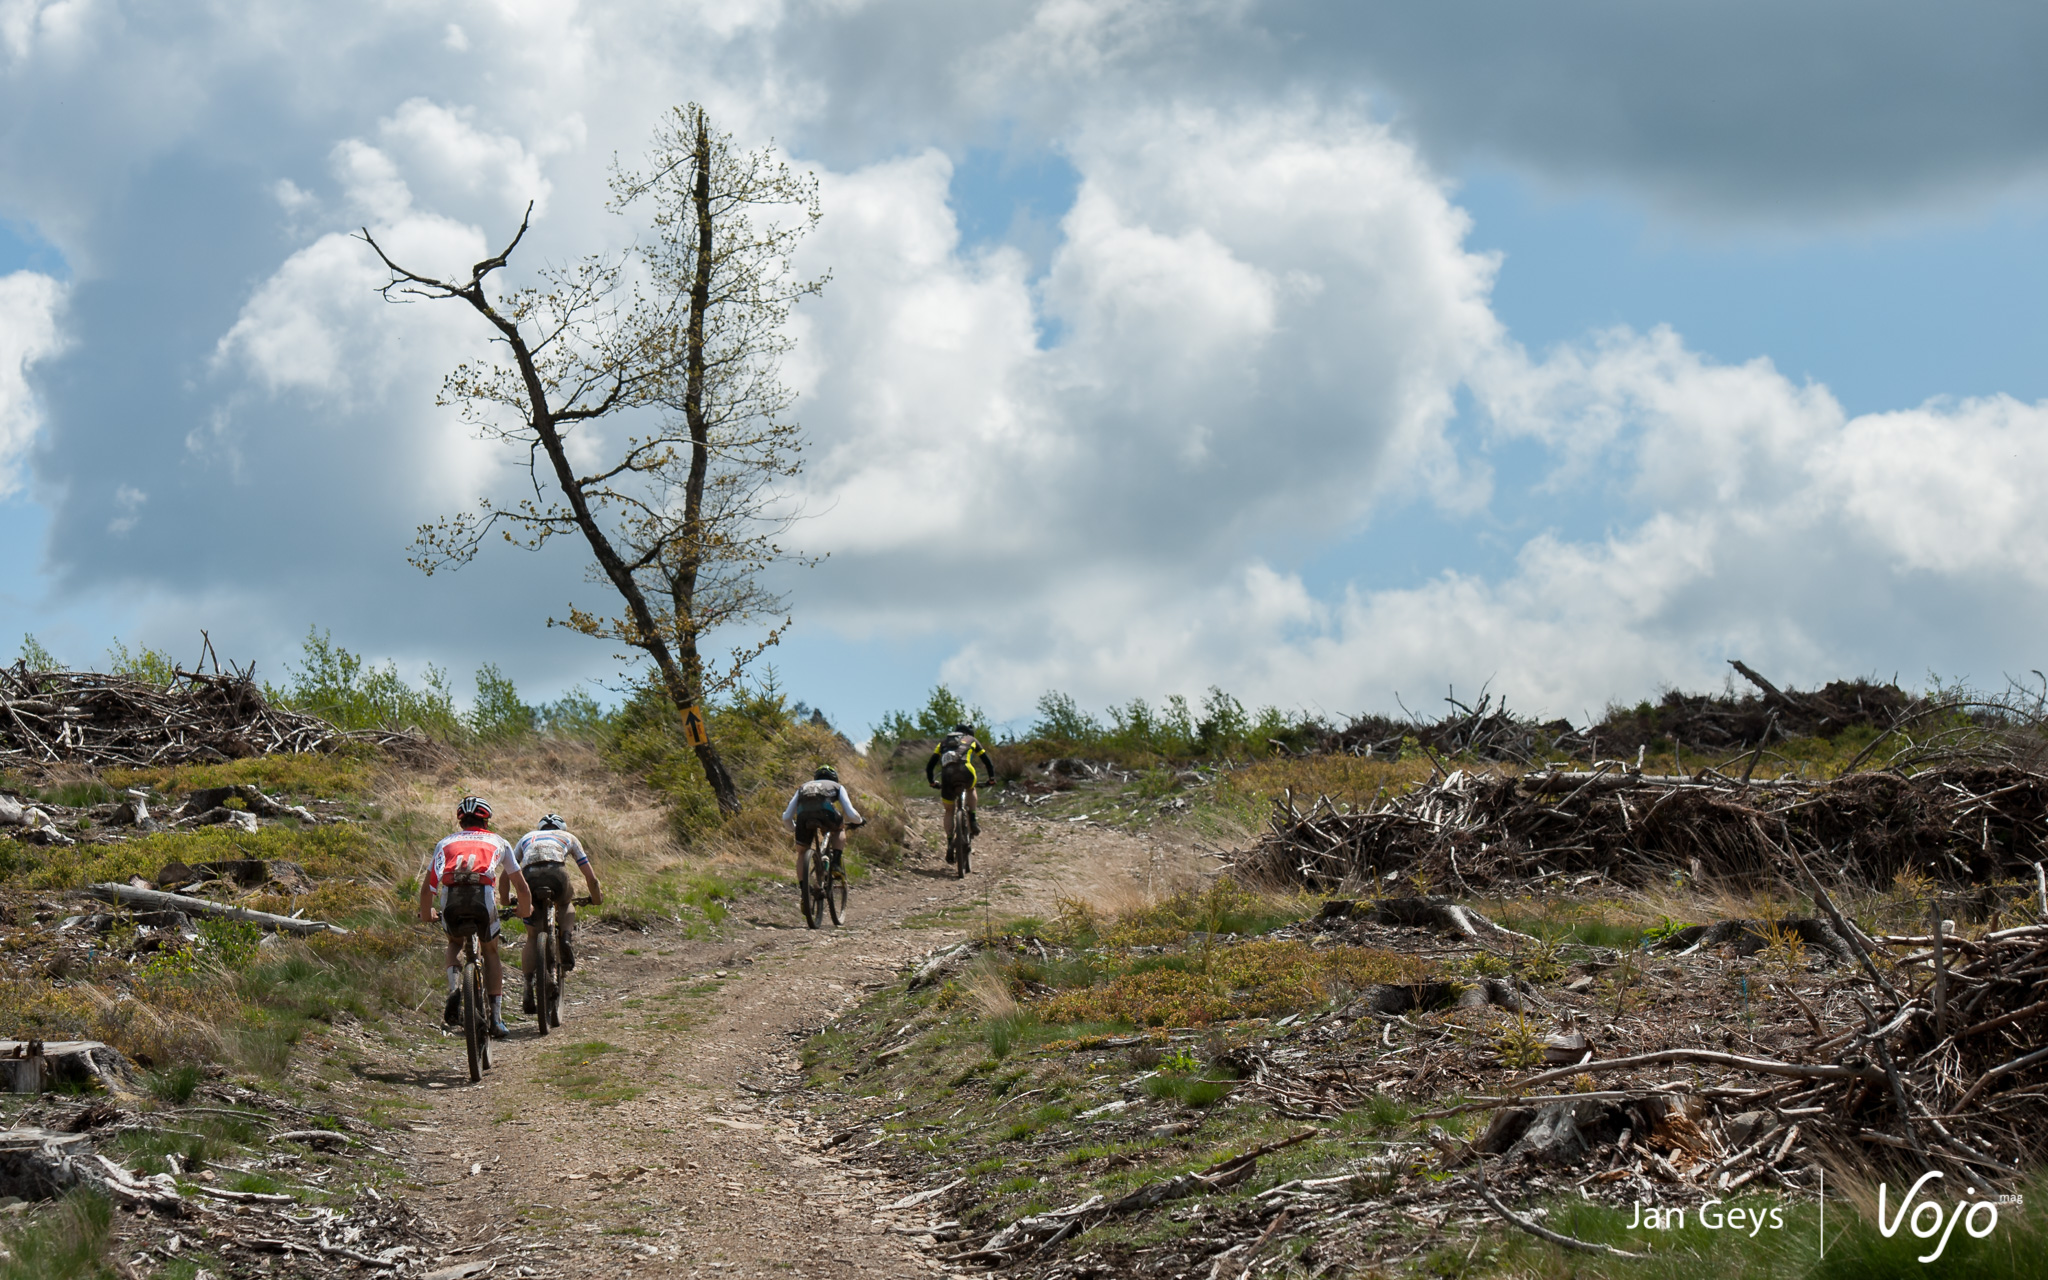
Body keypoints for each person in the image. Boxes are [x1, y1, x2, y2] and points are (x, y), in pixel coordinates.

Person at [418, 796, 531, 1039]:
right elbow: (521, 888)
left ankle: (453, 988)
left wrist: (427, 914)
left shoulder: (445, 843)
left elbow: (427, 887)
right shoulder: (498, 841)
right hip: (483, 895)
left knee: (454, 943)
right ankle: (497, 1019)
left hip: (451, 896)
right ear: (486, 821)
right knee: (490, 951)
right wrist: (524, 910)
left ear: (460, 822)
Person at [510, 813, 603, 1016]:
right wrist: (596, 898)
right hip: (557, 876)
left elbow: (510, 870)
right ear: (562, 828)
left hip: (530, 878)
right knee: (566, 902)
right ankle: (566, 938)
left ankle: (527, 987)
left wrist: (507, 898)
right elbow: (591, 878)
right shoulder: (568, 837)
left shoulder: (526, 837)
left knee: (532, 936)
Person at [783, 765, 863, 887]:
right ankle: (836, 863)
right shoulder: (837, 786)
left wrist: (795, 827)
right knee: (839, 828)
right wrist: (859, 821)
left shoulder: (803, 787)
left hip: (803, 815)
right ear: (834, 778)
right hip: (826, 811)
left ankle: (805, 893)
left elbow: (787, 816)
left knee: (801, 853)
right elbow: (851, 813)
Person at [925, 723, 994, 856]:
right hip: (966, 771)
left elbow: (929, 766)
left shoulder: (943, 742)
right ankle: (972, 818)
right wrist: (991, 778)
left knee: (949, 810)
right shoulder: (972, 740)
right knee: (971, 788)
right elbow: (987, 762)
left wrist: (932, 782)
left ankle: (950, 841)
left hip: (947, 776)